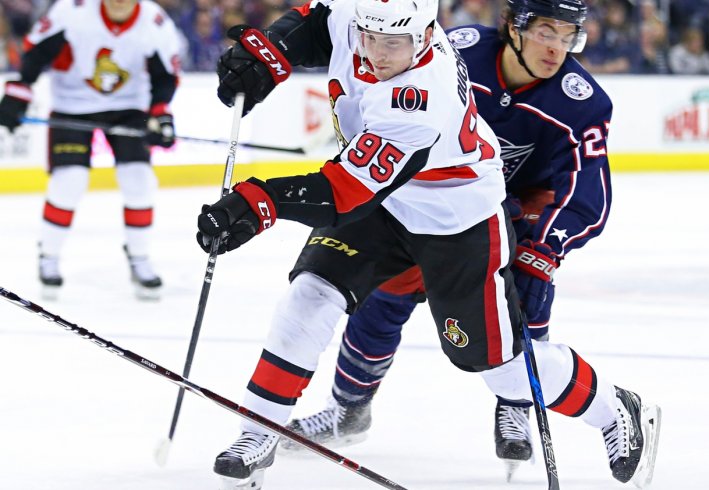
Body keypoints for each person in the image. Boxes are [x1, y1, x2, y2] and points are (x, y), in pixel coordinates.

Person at [198, 0, 660, 488]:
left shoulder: (420, 98)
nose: (376, 52)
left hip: (456, 219)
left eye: (394, 42)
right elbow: (317, 20)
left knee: (495, 363)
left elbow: (342, 192)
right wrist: (271, 54)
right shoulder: (372, 19)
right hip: (386, 202)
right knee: (310, 294)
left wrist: (259, 203)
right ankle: (258, 431)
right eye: (369, 37)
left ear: (424, 36)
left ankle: (616, 408)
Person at [0, 0, 180, 300]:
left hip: (128, 107)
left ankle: (139, 256)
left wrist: (160, 112)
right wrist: (20, 89)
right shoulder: (73, 11)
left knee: (138, 180)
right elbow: (37, 51)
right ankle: (49, 255)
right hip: (73, 106)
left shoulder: (155, 21)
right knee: (69, 181)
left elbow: (165, 76)